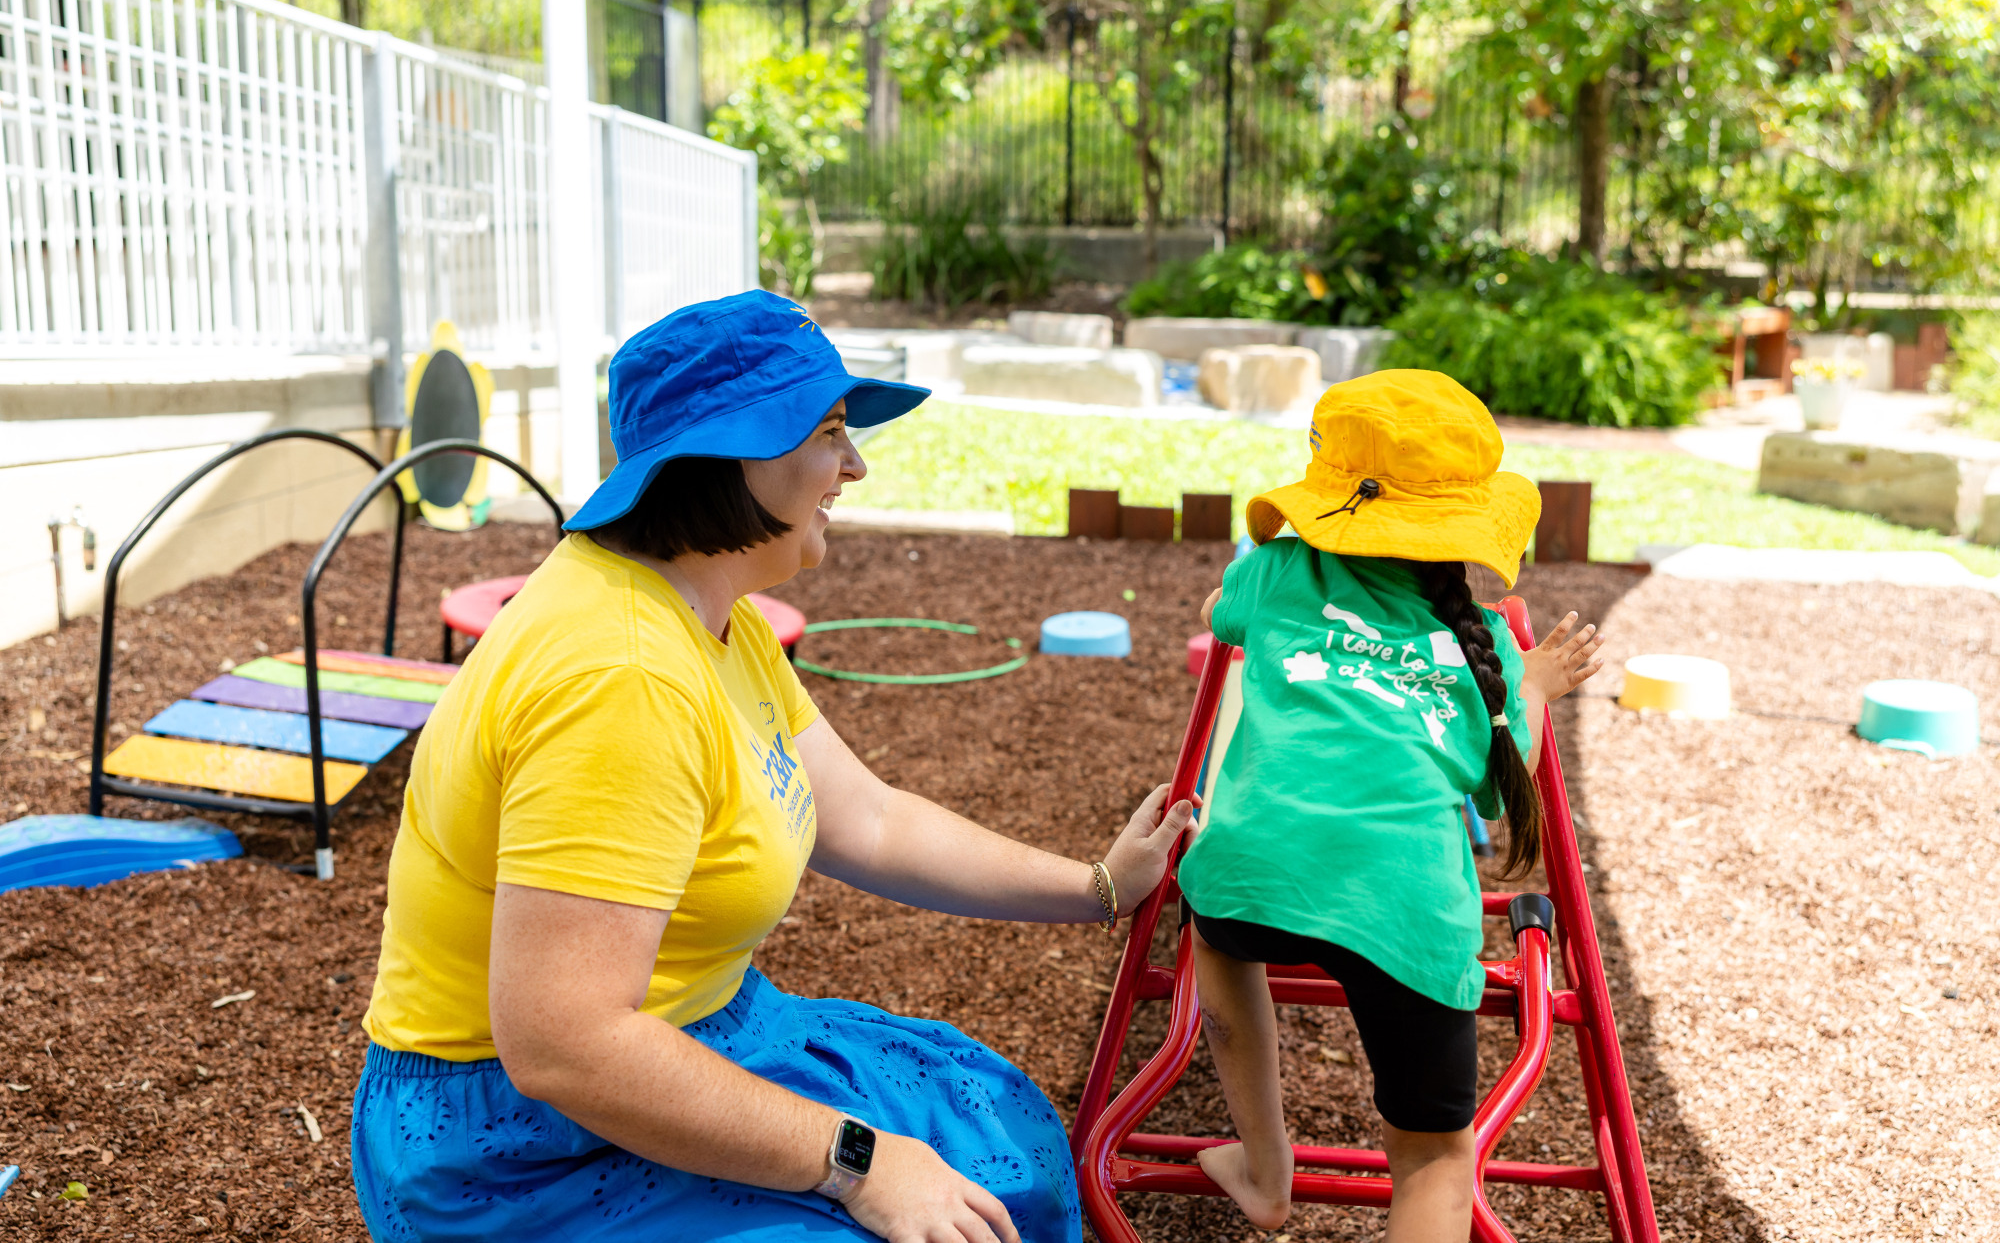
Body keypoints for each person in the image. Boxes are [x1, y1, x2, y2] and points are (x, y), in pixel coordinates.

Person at [349, 290, 1196, 1243]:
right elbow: (565, 1048)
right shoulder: (621, 678)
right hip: (520, 1147)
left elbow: (867, 818)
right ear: (729, 452)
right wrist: (859, 1163)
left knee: (1006, 1152)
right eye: (830, 431)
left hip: (693, 1040)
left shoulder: (713, 613)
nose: (857, 464)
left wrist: (1095, 887)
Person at [1176, 370, 1605, 1240]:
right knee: (1438, 1164)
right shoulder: (1481, 644)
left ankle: (1266, 1169)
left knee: (1216, 946)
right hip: (1406, 911)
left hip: (1250, 876)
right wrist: (1538, 684)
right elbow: (1498, 782)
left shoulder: (1278, 567)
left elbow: (1220, 613)